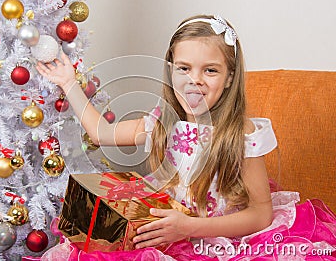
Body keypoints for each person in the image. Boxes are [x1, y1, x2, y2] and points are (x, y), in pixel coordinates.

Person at [36, 15, 336, 260]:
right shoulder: (161, 122)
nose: (195, 80)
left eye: (210, 70)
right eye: (184, 68)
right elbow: (101, 133)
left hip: (216, 238)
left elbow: (260, 214)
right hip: (166, 233)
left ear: (230, 76)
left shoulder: (239, 134)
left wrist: (190, 227)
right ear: (170, 71)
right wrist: (68, 82)